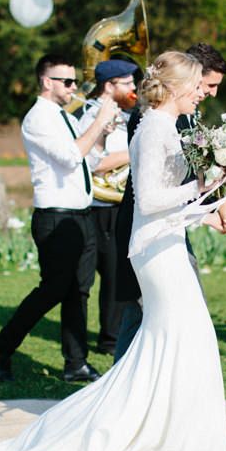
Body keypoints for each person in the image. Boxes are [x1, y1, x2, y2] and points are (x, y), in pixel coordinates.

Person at [0, 51, 226, 451]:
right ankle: (150, 431)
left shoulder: (162, 126)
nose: (202, 95)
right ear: (179, 87)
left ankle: (167, 433)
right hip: (156, 255)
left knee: (172, 343)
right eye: (197, 87)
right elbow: (147, 201)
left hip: (164, 244)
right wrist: (201, 187)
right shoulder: (152, 130)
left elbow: (165, 203)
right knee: (183, 336)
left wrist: (205, 208)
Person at [0, 53, 118, 384]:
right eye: (67, 82)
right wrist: (100, 120)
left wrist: (101, 132)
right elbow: (71, 157)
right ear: (47, 82)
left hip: (81, 215)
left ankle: (76, 362)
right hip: (56, 218)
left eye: (74, 81)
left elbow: (91, 159)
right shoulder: (38, 118)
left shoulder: (65, 116)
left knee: (79, 291)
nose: (74, 88)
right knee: (54, 289)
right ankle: (1, 346)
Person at [113, 43, 226, 362]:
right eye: (206, 84)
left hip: (171, 228)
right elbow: (150, 196)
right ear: (187, 80)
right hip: (150, 233)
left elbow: (179, 182)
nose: (209, 93)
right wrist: (207, 192)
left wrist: (207, 212)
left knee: (168, 326)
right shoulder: (153, 122)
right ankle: (131, 392)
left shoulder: (177, 118)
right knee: (152, 322)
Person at [77, 59, 139, 356]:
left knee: (117, 274)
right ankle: (95, 342)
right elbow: (95, 163)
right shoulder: (90, 117)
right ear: (109, 86)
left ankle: (110, 338)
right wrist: (132, 153)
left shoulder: (125, 116)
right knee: (91, 277)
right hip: (98, 206)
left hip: (117, 204)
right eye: (126, 83)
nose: (133, 88)